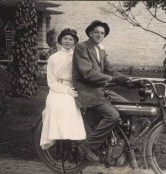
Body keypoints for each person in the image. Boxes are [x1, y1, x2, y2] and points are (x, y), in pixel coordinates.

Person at [72, 20, 130, 162]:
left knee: (130, 107)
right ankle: (87, 146)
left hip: (100, 90)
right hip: (87, 91)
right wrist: (111, 79)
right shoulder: (81, 47)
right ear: (90, 33)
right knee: (113, 115)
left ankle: (119, 148)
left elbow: (110, 70)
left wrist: (128, 80)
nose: (99, 35)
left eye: (102, 33)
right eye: (96, 32)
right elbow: (88, 73)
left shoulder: (100, 50)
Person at [40, 28, 86, 150]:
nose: (67, 41)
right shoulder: (53, 58)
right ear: (60, 40)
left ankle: (72, 141)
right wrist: (65, 90)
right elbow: (51, 81)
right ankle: (59, 139)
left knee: (72, 105)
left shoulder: (77, 57)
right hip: (57, 89)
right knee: (55, 105)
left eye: (71, 39)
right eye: (65, 38)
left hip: (74, 87)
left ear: (74, 42)